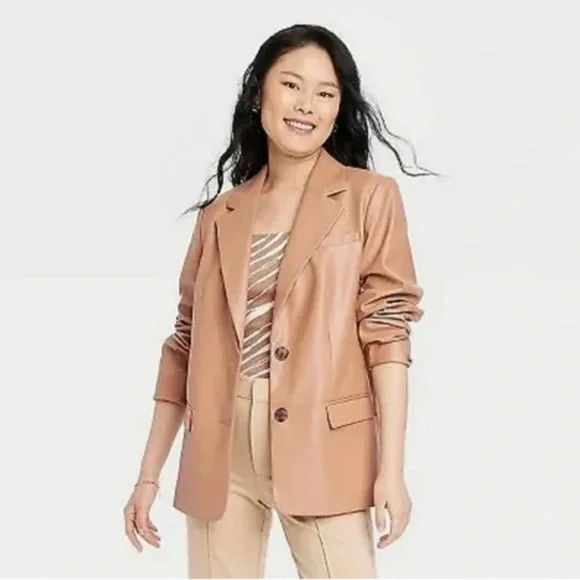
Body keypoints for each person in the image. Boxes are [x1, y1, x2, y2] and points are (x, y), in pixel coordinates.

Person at [123, 23, 438, 578]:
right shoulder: (219, 216)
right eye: (291, 85)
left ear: (339, 108)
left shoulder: (369, 198)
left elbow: (388, 336)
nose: (306, 105)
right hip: (220, 452)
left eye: (325, 93)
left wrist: (392, 468)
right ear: (258, 94)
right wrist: (149, 475)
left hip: (324, 445)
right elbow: (184, 346)